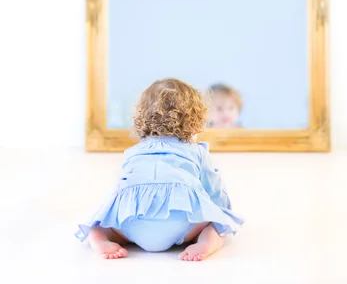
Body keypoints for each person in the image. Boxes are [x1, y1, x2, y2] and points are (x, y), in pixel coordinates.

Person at [75, 78, 243, 261]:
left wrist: (105, 219)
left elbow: (119, 192)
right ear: (196, 120)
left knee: (103, 226)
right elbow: (215, 191)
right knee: (217, 224)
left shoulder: (133, 152)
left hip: (131, 224)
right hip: (181, 223)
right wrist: (220, 215)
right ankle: (205, 242)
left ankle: (99, 236)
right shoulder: (196, 152)